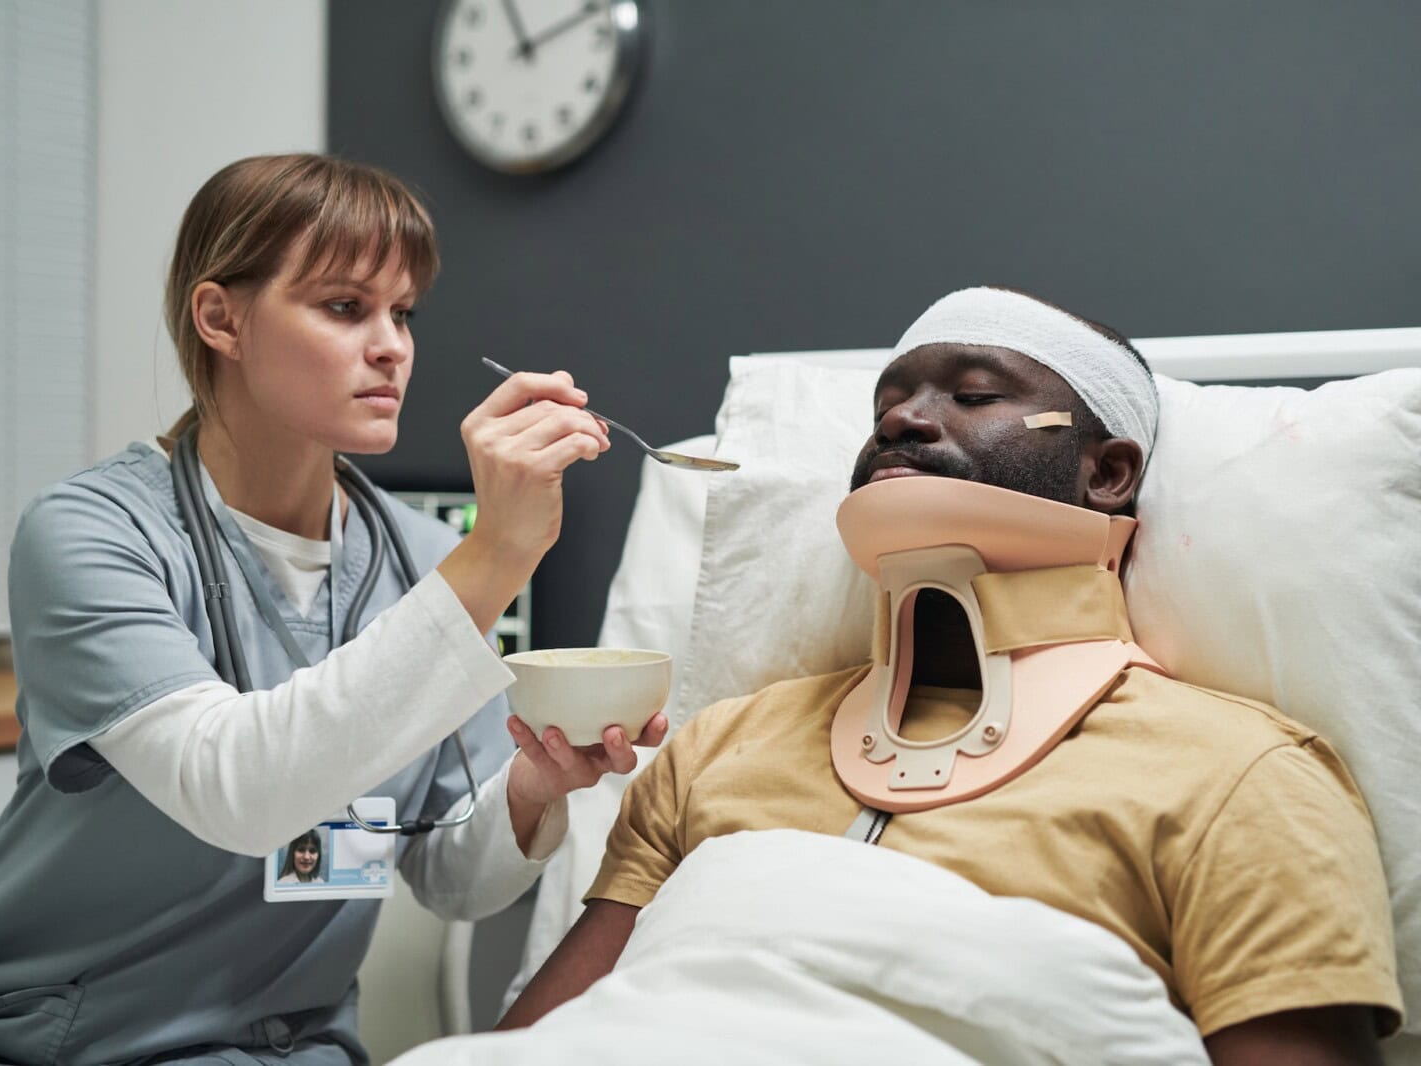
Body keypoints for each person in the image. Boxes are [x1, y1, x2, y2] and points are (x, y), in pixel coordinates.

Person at [0, 153, 666, 1065]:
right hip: (34, 1043)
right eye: (345, 307)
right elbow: (244, 794)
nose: (391, 345)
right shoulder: (93, 535)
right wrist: (497, 554)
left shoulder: (421, 564)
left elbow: (451, 874)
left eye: (403, 311)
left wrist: (539, 785)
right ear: (221, 318)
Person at [500, 287, 1403, 1063]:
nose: (904, 418)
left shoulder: (1242, 780)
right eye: (886, 406)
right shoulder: (720, 747)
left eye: (973, 395)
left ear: (1110, 474)